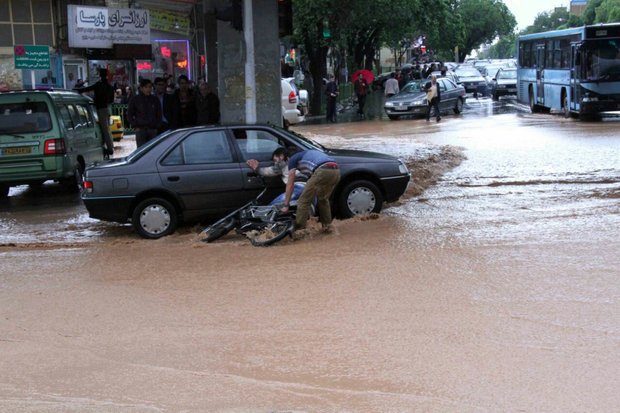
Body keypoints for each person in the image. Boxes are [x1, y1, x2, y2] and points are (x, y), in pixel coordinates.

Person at [281, 149, 340, 232]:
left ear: (287, 158)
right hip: (336, 171)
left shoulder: (292, 159)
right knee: (323, 199)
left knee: (303, 201)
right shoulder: (307, 154)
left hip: (322, 170)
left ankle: (299, 231)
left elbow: (290, 184)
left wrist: (286, 205)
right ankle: (327, 227)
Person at [74, 68, 115, 155]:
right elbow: (111, 100)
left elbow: (87, 89)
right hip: (107, 108)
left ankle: (110, 148)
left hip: (101, 109)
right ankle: (109, 146)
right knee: (106, 129)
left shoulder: (98, 85)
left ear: (100, 75)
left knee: (105, 129)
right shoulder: (110, 86)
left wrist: (77, 90)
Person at [127, 79, 162, 148]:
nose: (148, 89)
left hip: (152, 129)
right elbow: (129, 114)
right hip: (140, 129)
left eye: (150, 87)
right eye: (146, 87)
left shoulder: (155, 99)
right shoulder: (135, 99)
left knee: (153, 150)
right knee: (141, 150)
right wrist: (135, 125)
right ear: (142, 88)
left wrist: (157, 126)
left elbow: (159, 114)